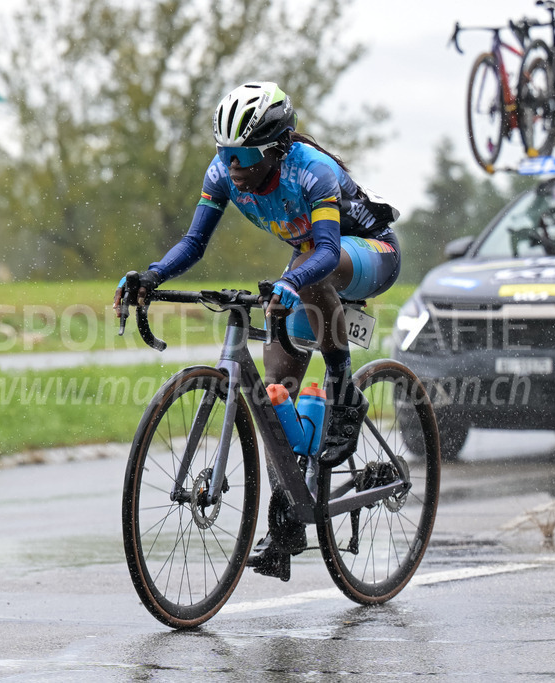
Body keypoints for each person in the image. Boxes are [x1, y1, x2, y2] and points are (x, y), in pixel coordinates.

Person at [113, 82, 400, 582]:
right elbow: (195, 241)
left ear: (275, 147)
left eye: (244, 155)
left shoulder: (312, 170)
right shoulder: (223, 171)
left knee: (312, 278)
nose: (233, 166)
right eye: (225, 153)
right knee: (274, 395)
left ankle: (344, 395)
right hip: (310, 259)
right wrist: (152, 275)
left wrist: (291, 281)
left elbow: (328, 253)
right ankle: (287, 521)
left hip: (367, 252)